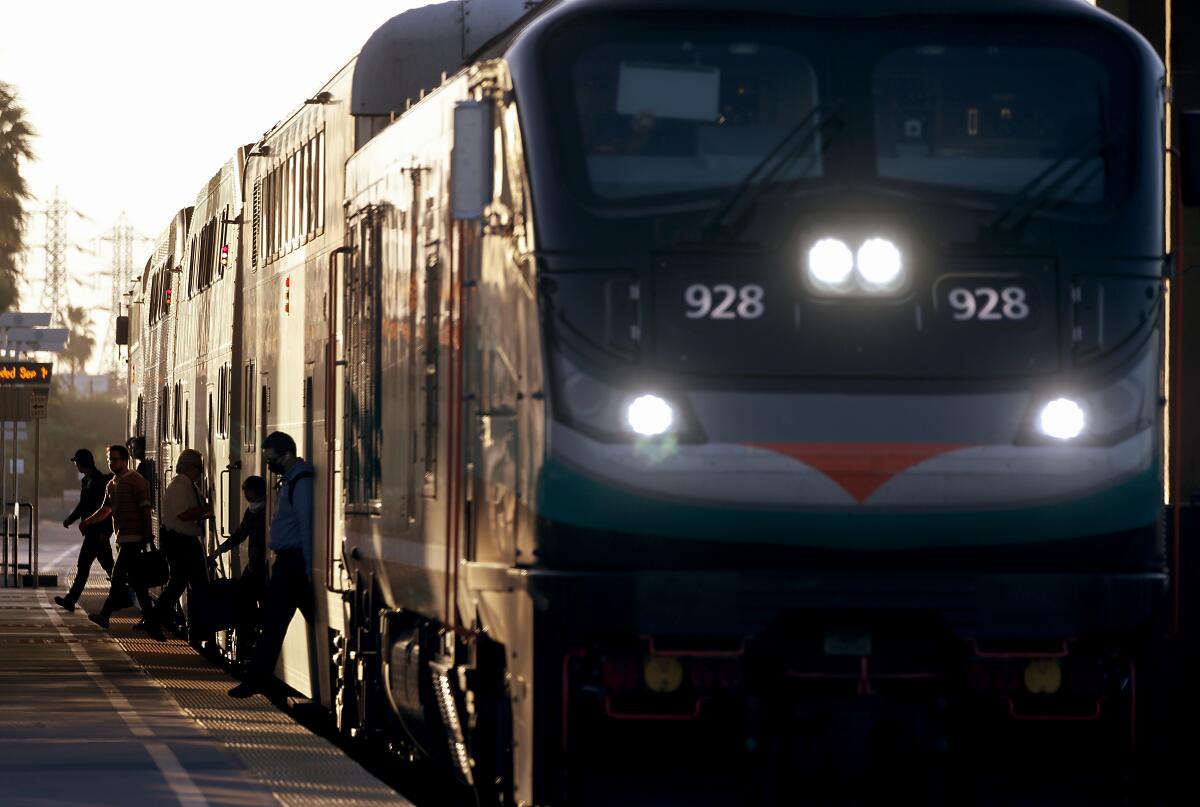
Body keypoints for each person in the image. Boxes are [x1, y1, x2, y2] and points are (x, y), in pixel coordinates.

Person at [229, 432, 314, 698]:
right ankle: (257, 680)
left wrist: (310, 569)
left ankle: (255, 681)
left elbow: (306, 526)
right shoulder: (290, 480)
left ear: (287, 455)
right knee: (278, 621)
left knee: (274, 622)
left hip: (294, 565)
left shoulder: (300, 482)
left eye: (271, 460)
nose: (268, 466)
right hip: (288, 563)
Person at [82, 444, 165, 642]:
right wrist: (88, 521)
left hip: (134, 539)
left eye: (115, 459)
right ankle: (152, 624)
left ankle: (105, 614)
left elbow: (146, 509)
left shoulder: (137, 481)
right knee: (138, 583)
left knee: (118, 576)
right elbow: (106, 509)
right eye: (110, 459)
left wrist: (147, 535)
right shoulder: (111, 484)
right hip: (123, 538)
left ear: (125, 460)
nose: (111, 463)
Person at [150, 448, 211, 636]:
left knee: (188, 582)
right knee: (186, 582)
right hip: (180, 541)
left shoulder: (187, 485)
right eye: (199, 469)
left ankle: (198, 625)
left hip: (185, 540)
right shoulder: (178, 487)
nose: (200, 473)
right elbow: (183, 514)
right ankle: (154, 619)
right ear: (190, 468)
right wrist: (204, 510)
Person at [209, 475, 267, 660]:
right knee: (245, 599)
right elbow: (240, 535)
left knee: (244, 599)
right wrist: (220, 550)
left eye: (247, 491)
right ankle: (248, 643)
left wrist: (219, 550)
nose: (245, 495)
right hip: (254, 564)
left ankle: (248, 642)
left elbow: (241, 535)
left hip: (260, 565)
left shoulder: (263, 511)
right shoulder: (253, 510)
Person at [53, 449, 114, 612]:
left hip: (97, 531)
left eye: (77, 463)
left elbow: (107, 509)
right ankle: (127, 594)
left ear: (81, 463)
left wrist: (105, 532)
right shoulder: (87, 480)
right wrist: (71, 519)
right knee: (110, 567)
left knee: (84, 565)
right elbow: (83, 505)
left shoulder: (99, 481)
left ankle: (70, 600)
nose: (76, 466)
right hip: (93, 531)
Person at [127, 436, 157, 513]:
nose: (132, 451)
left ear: (143, 449)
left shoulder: (143, 466)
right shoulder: (145, 464)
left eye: (135, 448)